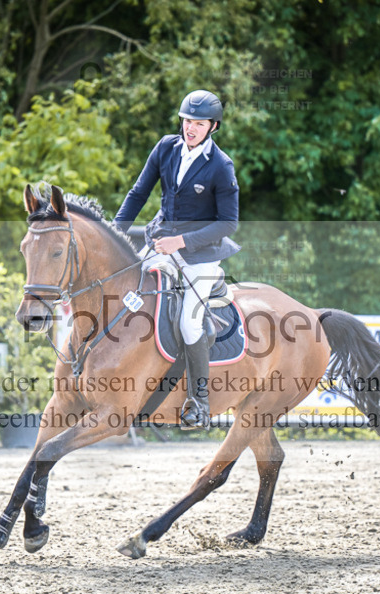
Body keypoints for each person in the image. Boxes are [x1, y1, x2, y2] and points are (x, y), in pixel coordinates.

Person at [114, 89, 240, 429]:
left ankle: (198, 402)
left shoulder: (221, 166)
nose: (191, 128)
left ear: (213, 126)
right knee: (127, 293)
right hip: (159, 242)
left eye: (198, 123)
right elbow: (138, 193)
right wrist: (114, 233)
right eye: (187, 121)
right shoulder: (165, 148)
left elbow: (228, 223)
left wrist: (181, 241)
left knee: (188, 323)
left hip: (200, 256)